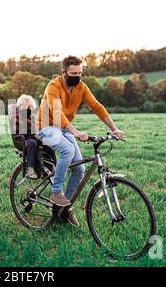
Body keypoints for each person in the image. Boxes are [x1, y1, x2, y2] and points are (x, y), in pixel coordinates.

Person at [37, 55, 125, 227]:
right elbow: (56, 113)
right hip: (45, 126)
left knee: (79, 169)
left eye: (80, 73)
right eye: (74, 73)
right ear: (64, 72)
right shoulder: (53, 86)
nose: (78, 76)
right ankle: (56, 192)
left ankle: (63, 208)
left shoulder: (81, 87)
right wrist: (75, 132)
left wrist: (114, 128)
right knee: (67, 150)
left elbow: (97, 107)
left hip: (63, 127)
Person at [16, 94, 38, 179]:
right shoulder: (17, 117)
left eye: (30, 107)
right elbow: (21, 132)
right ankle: (30, 169)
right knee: (31, 142)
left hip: (32, 138)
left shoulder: (32, 117)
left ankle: (51, 167)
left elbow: (34, 130)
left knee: (47, 142)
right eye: (27, 107)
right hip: (23, 139)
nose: (29, 109)